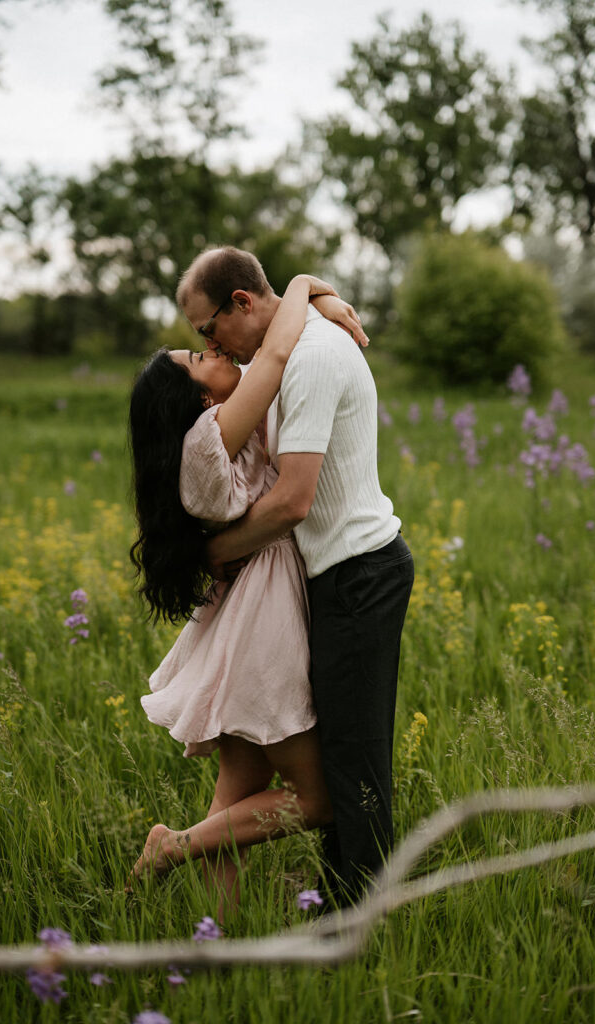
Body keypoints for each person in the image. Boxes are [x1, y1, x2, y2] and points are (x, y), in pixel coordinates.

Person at [178, 246, 414, 907]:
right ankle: (335, 908)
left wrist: (212, 554)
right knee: (340, 758)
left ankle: (355, 924)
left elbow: (293, 501)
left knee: (356, 763)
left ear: (243, 304)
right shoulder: (282, 350)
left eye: (207, 329)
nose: (210, 343)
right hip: (330, 574)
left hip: (359, 573)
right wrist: (314, 288)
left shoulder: (310, 357)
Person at [127, 272, 367, 919]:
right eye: (202, 357)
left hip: (245, 607)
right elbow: (279, 352)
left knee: (239, 792)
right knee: (314, 800)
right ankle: (171, 847)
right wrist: (305, 284)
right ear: (194, 401)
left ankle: (216, 943)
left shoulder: (211, 435)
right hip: (263, 617)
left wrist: (317, 300)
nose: (219, 354)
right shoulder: (205, 443)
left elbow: (270, 347)